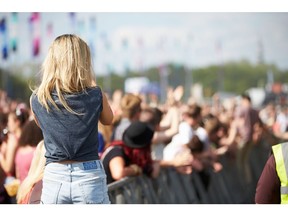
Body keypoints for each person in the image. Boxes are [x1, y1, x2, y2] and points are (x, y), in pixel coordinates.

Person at [30, 34, 114, 204]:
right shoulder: (95, 94)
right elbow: (108, 120)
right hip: (88, 173)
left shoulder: (37, 99)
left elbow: (43, 125)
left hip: (54, 175)